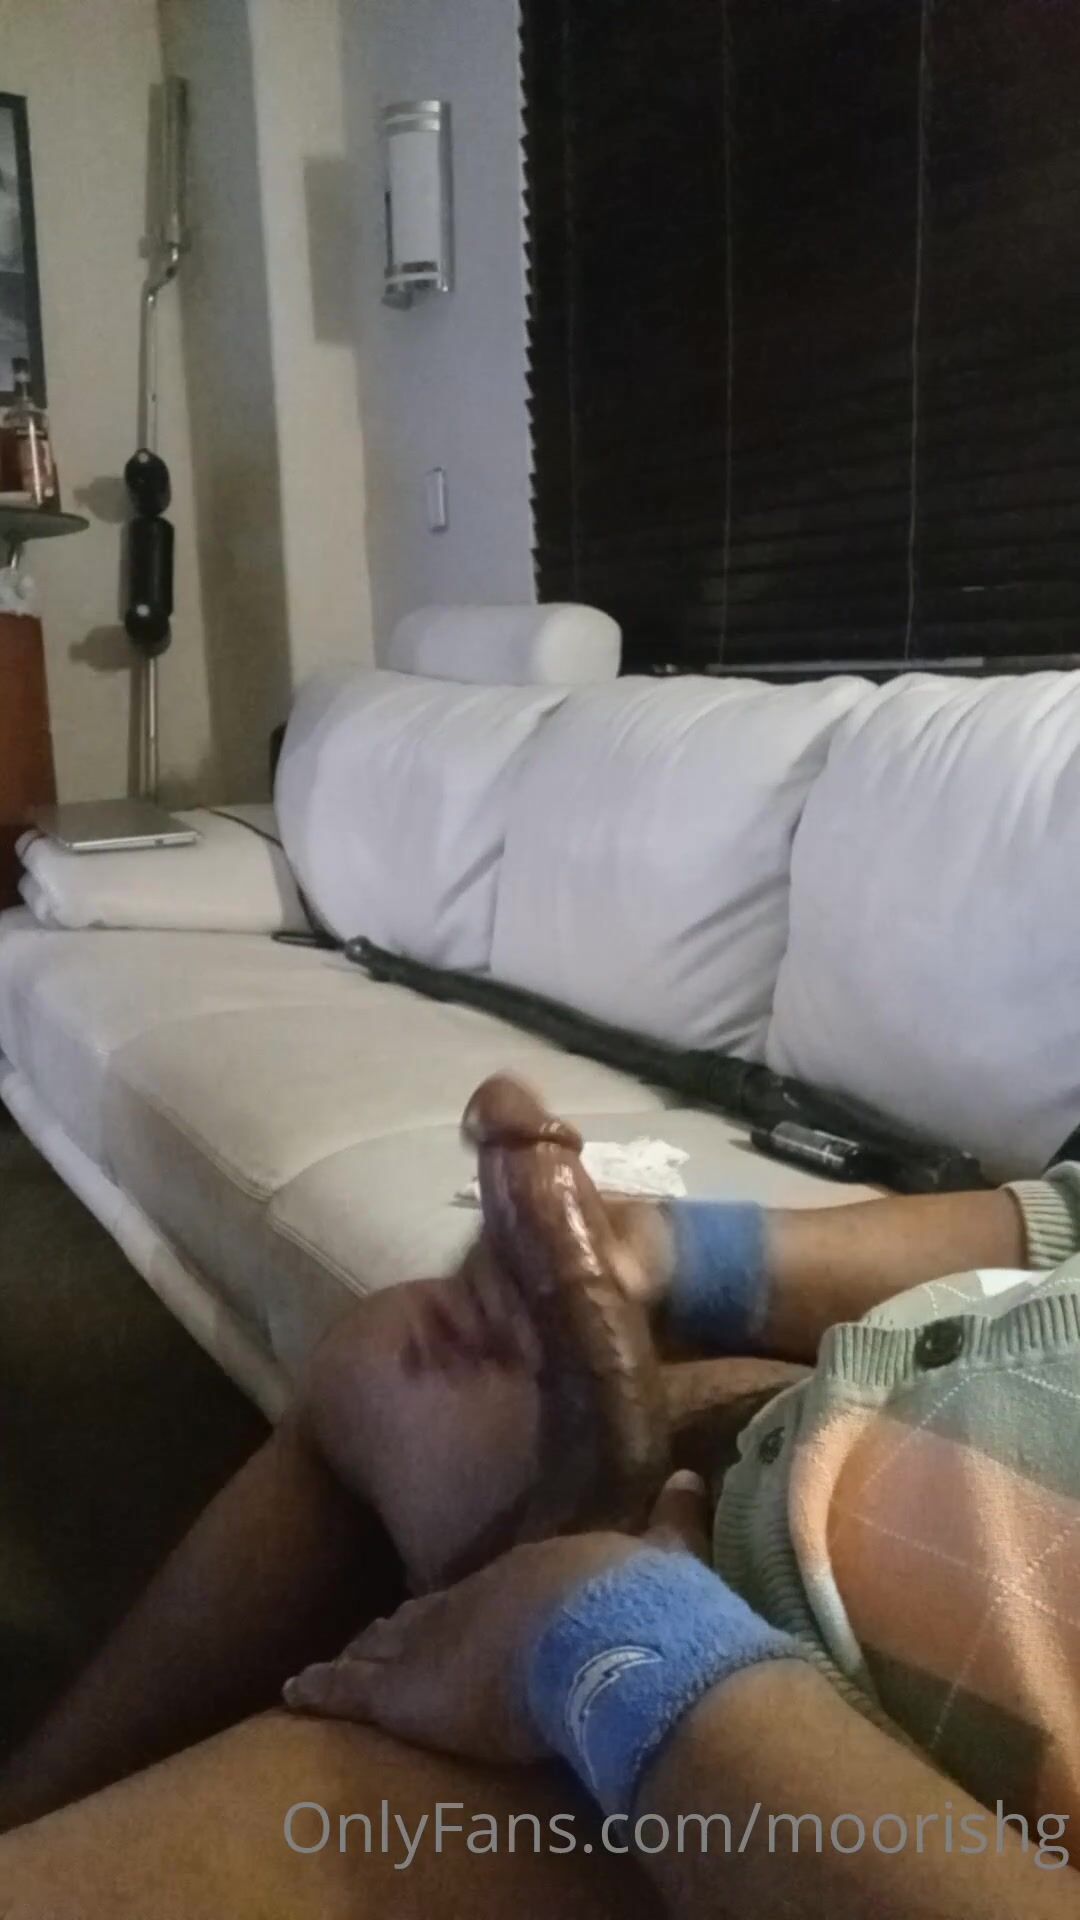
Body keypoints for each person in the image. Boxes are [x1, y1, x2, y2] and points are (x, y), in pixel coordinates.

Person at [1, 1103, 1078, 1918]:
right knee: (397, 1358)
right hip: (797, 1444)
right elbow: (1056, 1223)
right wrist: (669, 1253)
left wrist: (608, 1644)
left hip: (821, 1771)